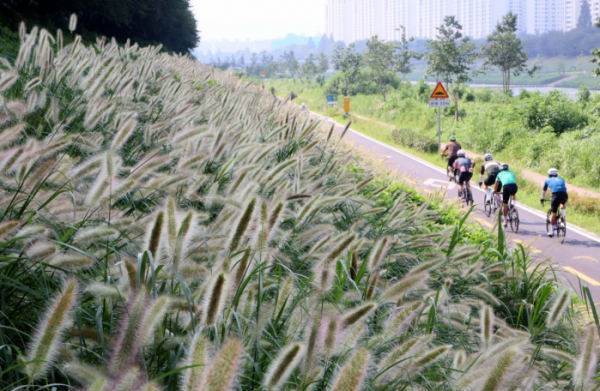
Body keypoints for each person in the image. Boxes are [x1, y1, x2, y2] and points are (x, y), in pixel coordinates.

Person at [541, 168, 568, 237]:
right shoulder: (562, 179)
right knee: (563, 203)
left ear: (549, 175)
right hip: (564, 194)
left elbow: (544, 191)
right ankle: (563, 216)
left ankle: (552, 231)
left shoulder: (547, 180)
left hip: (555, 195)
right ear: (557, 174)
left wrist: (542, 198)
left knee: (554, 213)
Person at [494, 163, 518, 228]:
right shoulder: (512, 173)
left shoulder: (499, 174)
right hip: (514, 186)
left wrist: (495, 191)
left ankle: (505, 221)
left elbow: (496, 185)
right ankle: (513, 204)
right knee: (513, 193)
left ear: (501, 169)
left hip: (506, 187)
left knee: (505, 203)